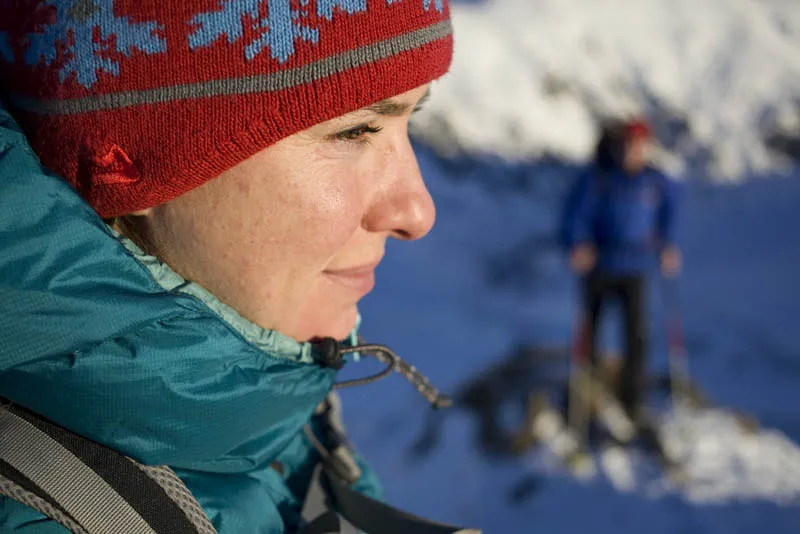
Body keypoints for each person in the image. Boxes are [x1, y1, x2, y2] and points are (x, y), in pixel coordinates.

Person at [0, 1, 463, 533]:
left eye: (413, 118)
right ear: (130, 160)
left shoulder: (270, 404)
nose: (417, 211)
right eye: (354, 132)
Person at [561, 119, 681, 424]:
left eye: (640, 145)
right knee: (591, 330)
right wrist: (578, 243)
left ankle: (633, 399)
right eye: (629, 144)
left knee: (636, 334)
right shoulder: (599, 178)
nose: (634, 151)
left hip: (636, 267)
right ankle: (584, 393)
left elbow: (668, 215)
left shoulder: (653, 182)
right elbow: (576, 214)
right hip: (599, 265)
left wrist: (667, 245)